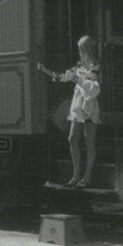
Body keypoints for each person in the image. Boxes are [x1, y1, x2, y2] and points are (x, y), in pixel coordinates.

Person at [37, 35, 102, 188]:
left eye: (82, 50)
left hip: (90, 108)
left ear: (88, 51)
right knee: (72, 139)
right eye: (80, 51)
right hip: (78, 108)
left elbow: (94, 91)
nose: (80, 53)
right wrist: (45, 71)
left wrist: (76, 78)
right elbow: (61, 77)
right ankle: (75, 176)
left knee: (89, 141)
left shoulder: (95, 68)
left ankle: (86, 178)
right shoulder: (78, 68)